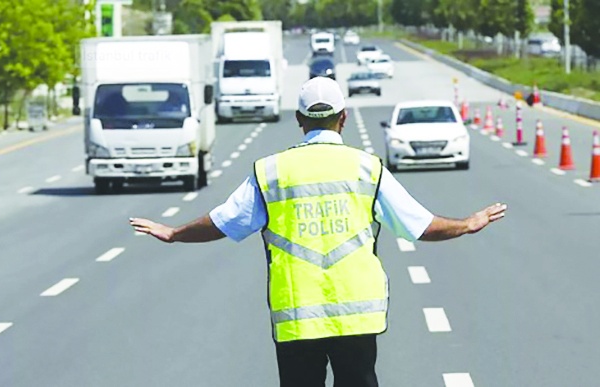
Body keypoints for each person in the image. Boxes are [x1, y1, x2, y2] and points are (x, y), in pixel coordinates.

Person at [129, 76, 507, 387]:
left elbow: (225, 221)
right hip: (357, 316)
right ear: (343, 118)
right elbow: (418, 225)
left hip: (296, 316)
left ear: (299, 119)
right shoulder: (366, 168)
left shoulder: (272, 171)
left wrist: (175, 232)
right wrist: (466, 224)